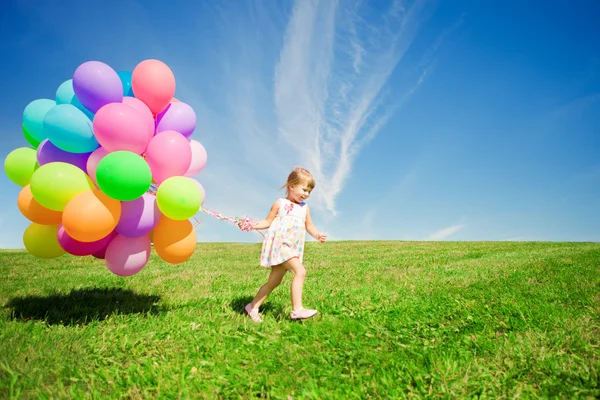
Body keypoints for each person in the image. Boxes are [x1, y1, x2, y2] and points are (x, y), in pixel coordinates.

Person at [239, 167, 327, 323]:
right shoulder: (280, 204)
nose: (306, 194)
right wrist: (251, 225)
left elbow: (310, 226)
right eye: (304, 189)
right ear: (291, 186)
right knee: (300, 271)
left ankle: (252, 306)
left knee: (274, 282)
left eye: (309, 191)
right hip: (281, 247)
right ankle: (297, 309)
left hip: (292, 248)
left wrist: (317, 234)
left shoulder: (304, 208)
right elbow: (267, 221)